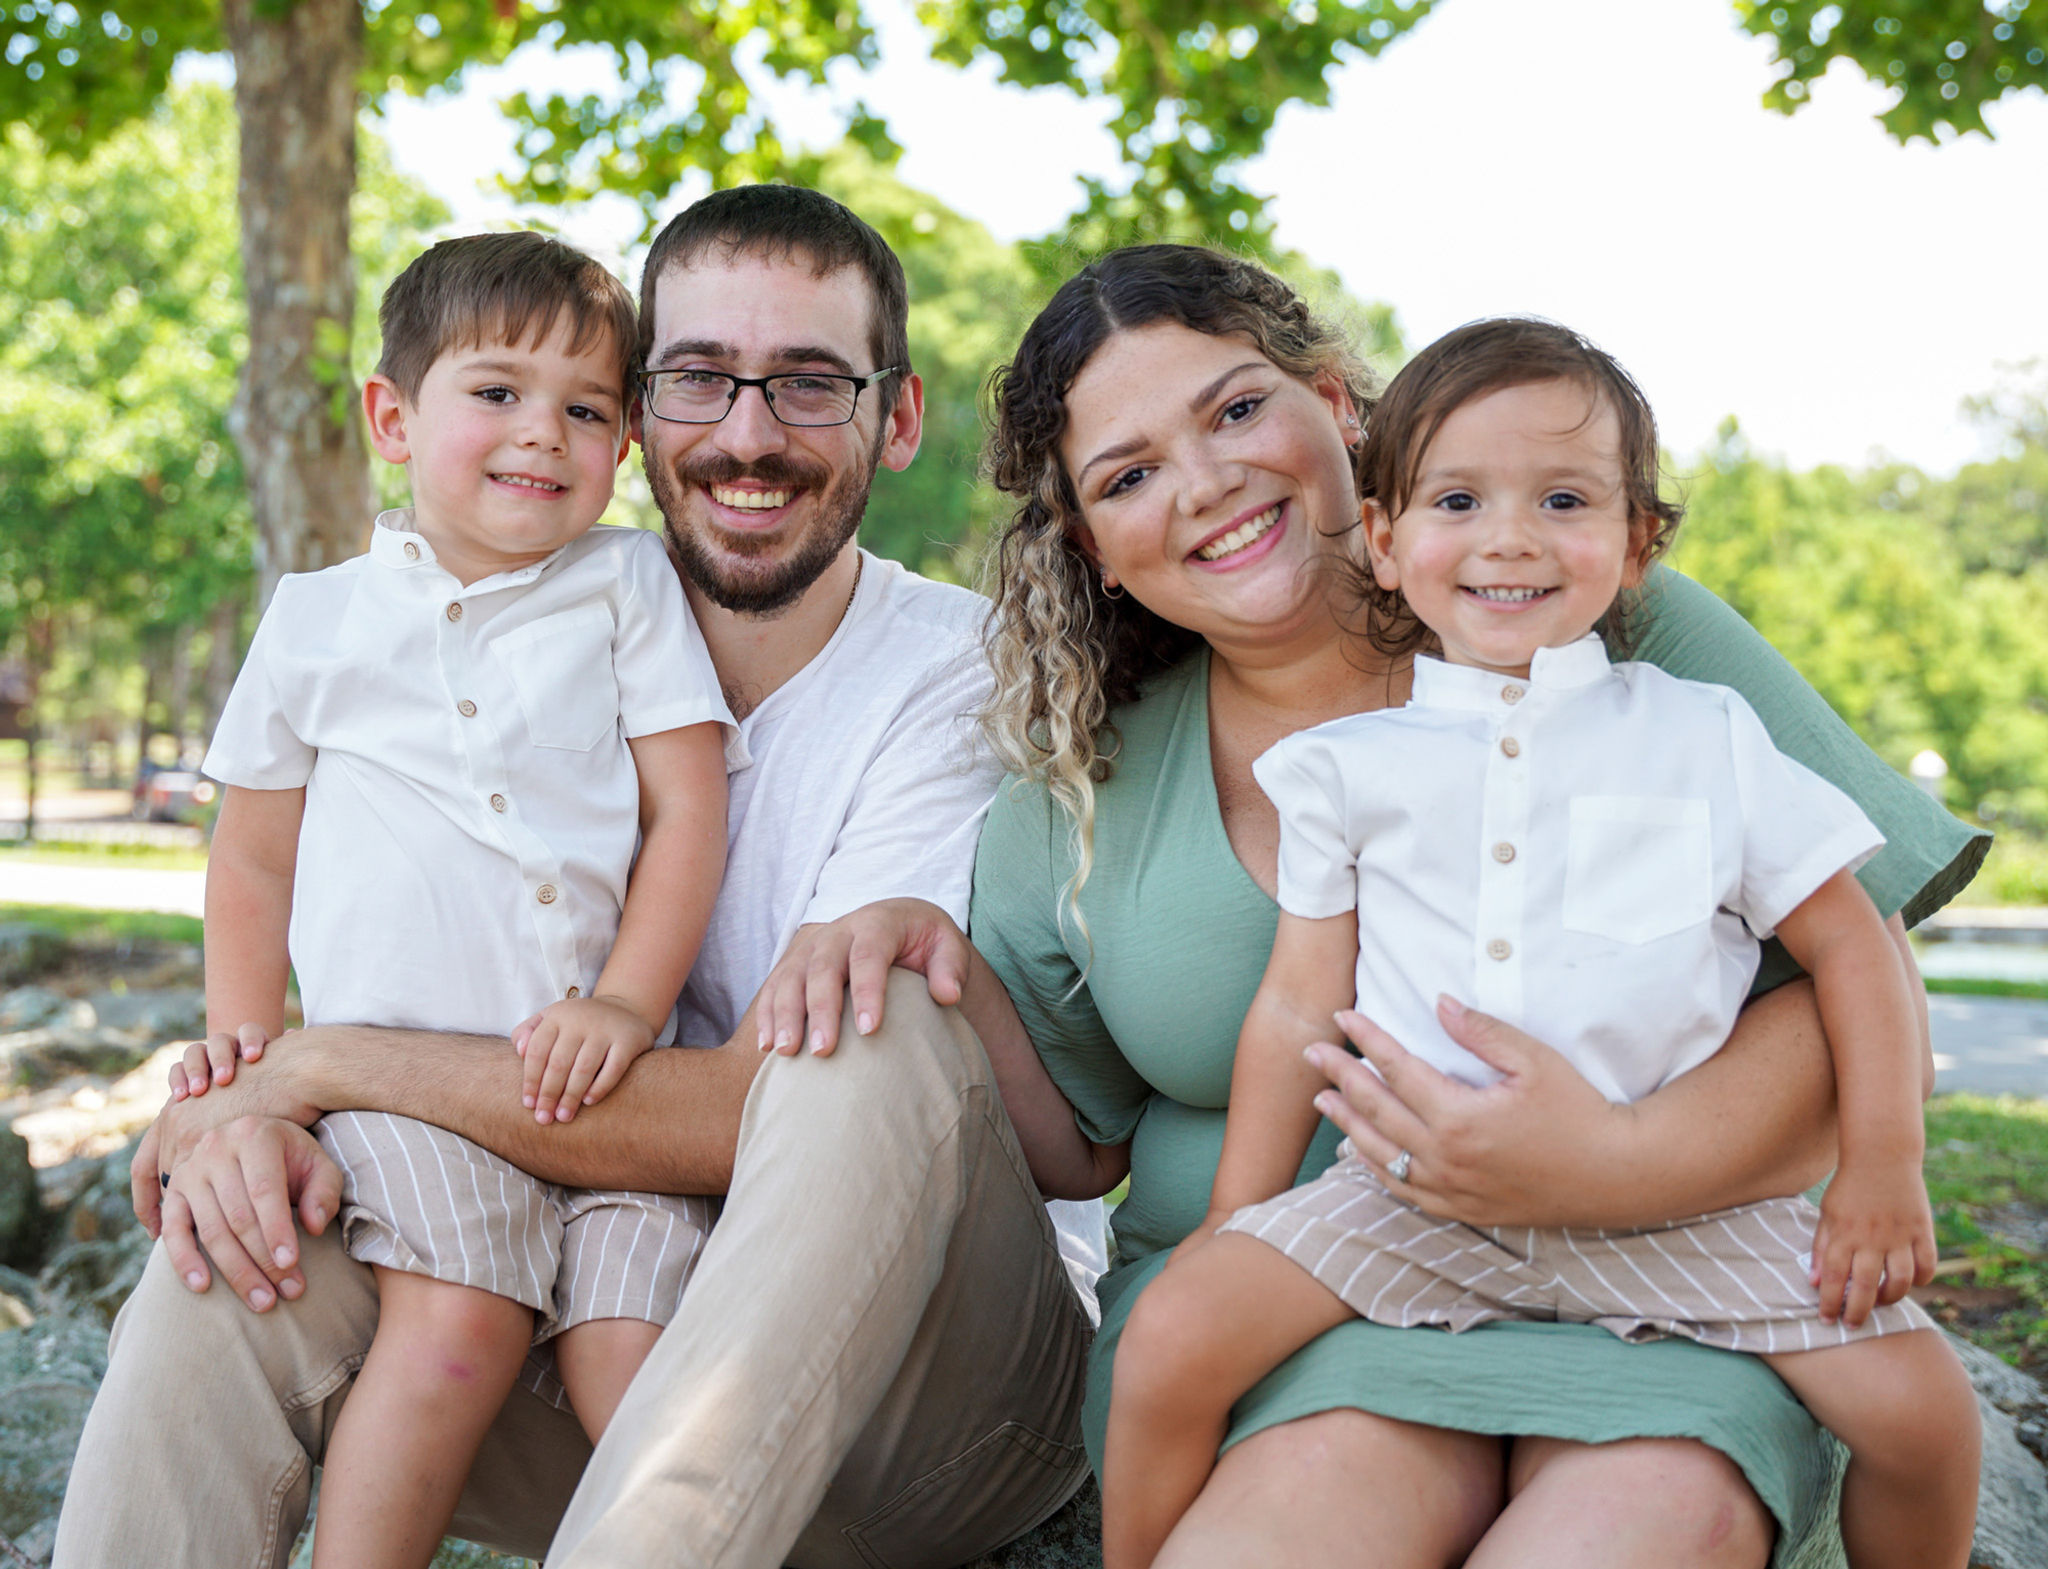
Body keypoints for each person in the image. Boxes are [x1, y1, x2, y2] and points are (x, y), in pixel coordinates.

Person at [758, 245, 1987, 1569]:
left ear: (1340, 404)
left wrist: (1613, 1162)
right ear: (1089, 546)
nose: (1206, 482)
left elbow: (1855, 970)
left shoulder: (1611, 630)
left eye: (1237, 410)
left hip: (1670, 1289)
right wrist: (922, 947)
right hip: (1324, 1301)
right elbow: (1073, 1139)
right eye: (1127, 475)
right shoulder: (1078, 791)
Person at [53, 186, 1101, 1569]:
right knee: (237, 1241)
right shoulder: (509, 613)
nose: (745, 434)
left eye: (807, 383)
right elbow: (258, 855)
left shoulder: (958, 674)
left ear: (895, 418)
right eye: (696, 378)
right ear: (644, 414)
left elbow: (764, 1118)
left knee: (874, 1009)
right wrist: (241, 1106)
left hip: (929, 1405)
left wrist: (315, 1065)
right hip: (579, 1366)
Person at [1098, 317, 1979, 1569]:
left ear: (1636, 543)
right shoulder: (1345, 769)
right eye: (1458, 500)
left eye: (1561, 500)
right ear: (1385, 541)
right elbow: (1296, 1005)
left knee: (1925, 1418)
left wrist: (1883, 1166)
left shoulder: (1704, 735)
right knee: (1170, 1339)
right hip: (1409, 1203)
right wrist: (1235, 1218)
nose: (1508, 536)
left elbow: (1855, 949)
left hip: (1680, 1218)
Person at [187, 229, 735, 1568]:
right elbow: (252, 858)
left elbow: (686, 811)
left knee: (635, 1351)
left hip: (604, 1086)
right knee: (457, 1328)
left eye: (587, 410)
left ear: (623, 446)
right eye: (496, 391)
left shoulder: (627, 585)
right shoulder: (315, 618)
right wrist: (248, 1061)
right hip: (405, 1087)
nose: (543, 431)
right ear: (393, 418)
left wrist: (626, 1002)